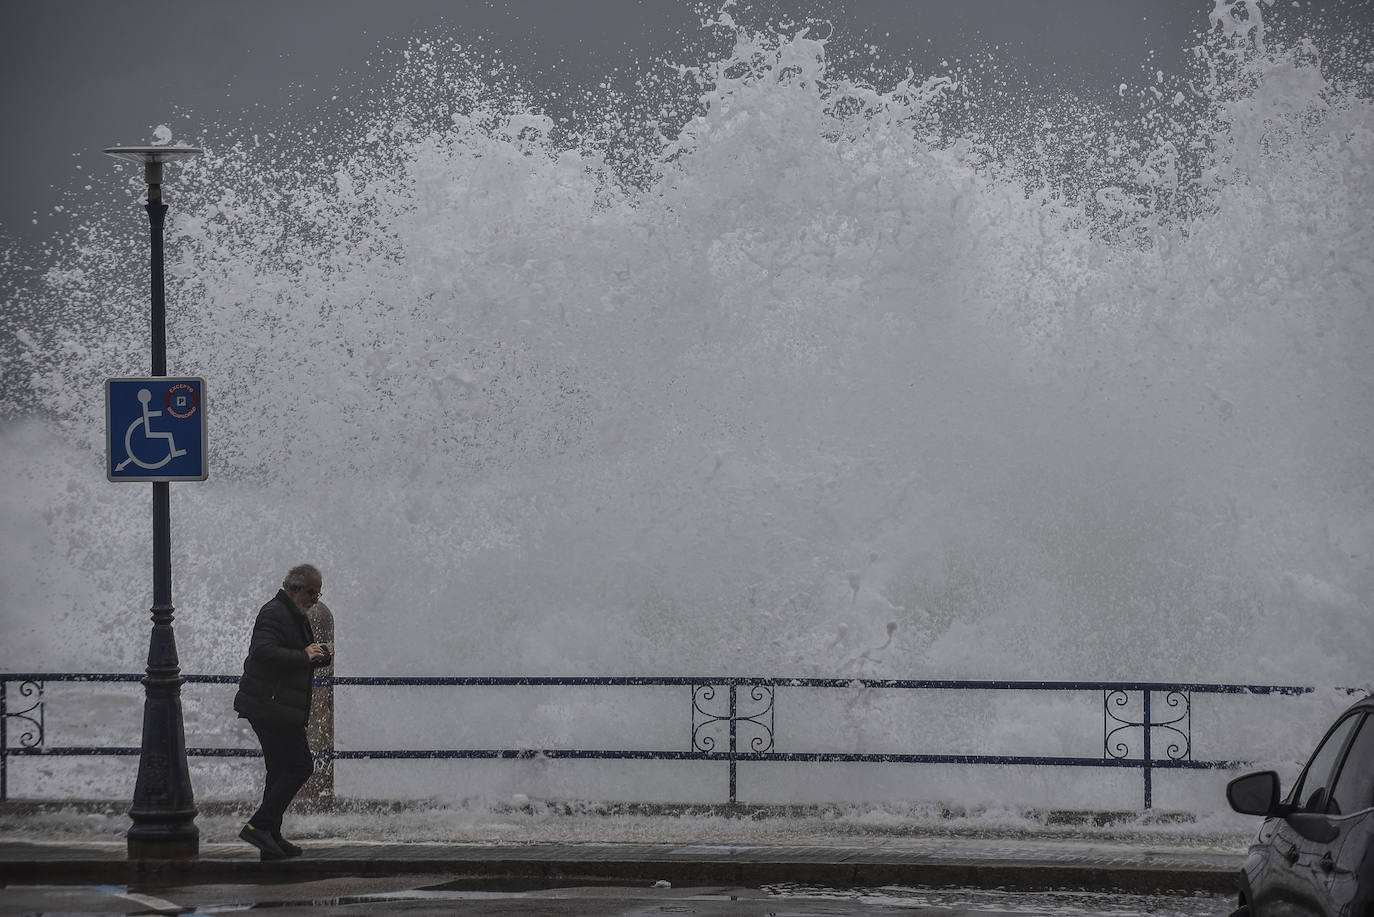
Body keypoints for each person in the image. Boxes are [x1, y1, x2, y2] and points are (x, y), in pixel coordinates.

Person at [233, 563, 333, 859]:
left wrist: (317, 656)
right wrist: (303, 654)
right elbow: (263, 652)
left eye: (319, 593)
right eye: (311, 592)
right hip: (270, 705)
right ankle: (258, 827)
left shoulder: (295, 614)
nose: (316, 598)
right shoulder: (274, 612)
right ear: (294, 588)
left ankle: (270, 836)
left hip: (279, 705)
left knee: (278, 771)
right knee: (301, 766)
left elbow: (294, 656)